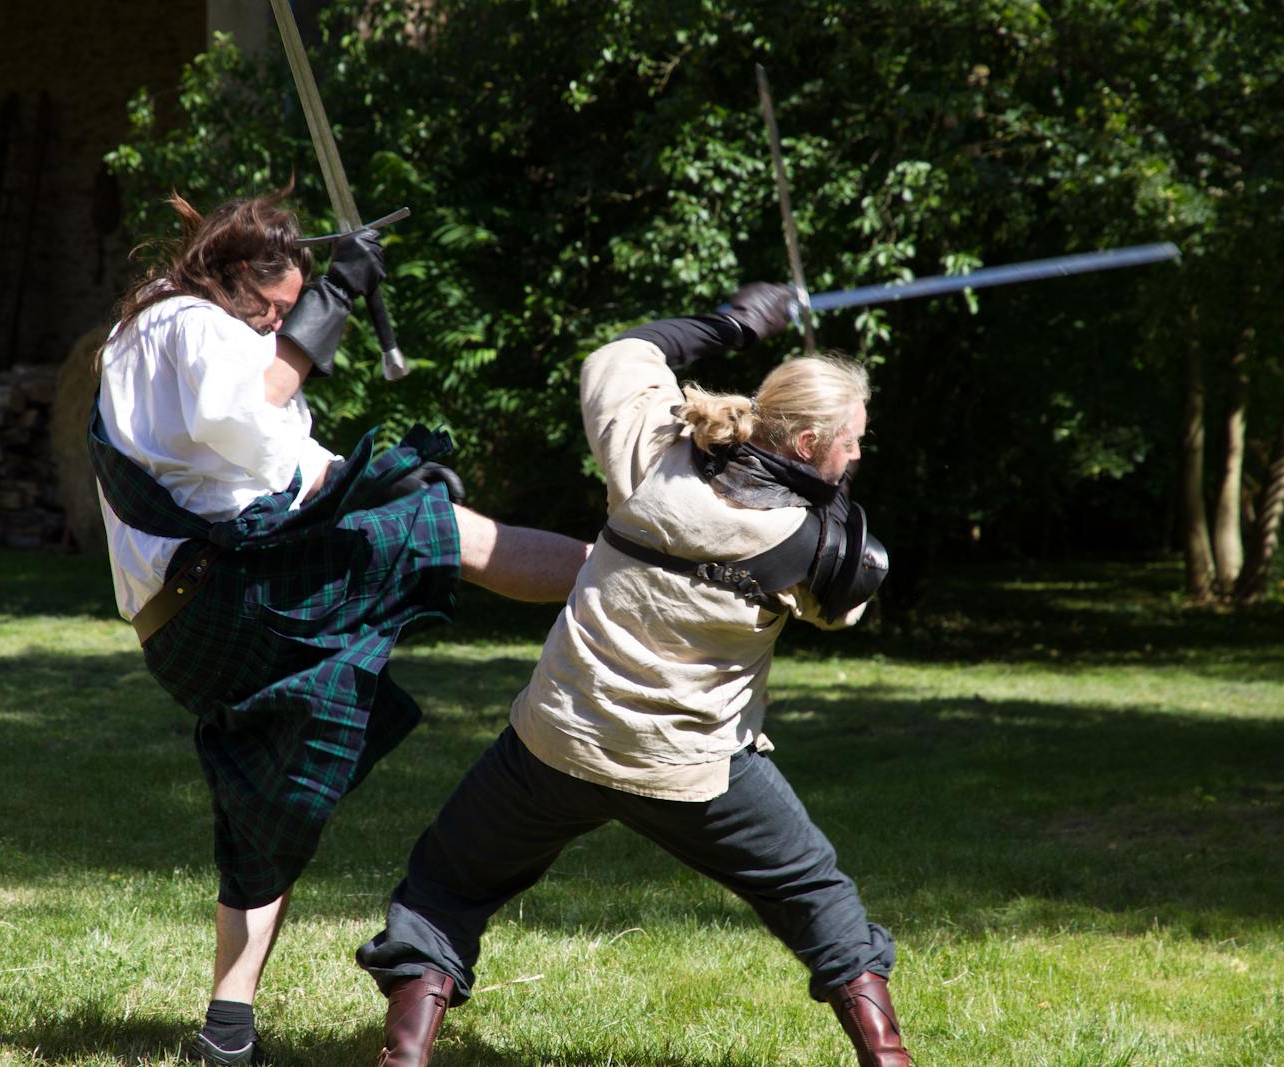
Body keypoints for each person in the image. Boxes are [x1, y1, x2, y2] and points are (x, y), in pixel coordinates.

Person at [89, 187, 591, 1065]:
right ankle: (635, 577)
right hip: (228, 594)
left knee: (273, 798)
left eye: (291, 313)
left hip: (186, 625)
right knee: (443, 535)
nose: (277, 326)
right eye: (275, 306)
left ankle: (228, 1029)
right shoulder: (186, 325)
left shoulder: (156, 337)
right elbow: (239, 414)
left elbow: (278, 460)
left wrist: (385, 477)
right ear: (235, 274)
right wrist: (332, 303)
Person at [354, 286, 914, 1067]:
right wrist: (830, 492)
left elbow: (622, 356)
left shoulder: (652, 451)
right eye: (851, 441)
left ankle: (405, 1057)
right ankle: (889, 1058)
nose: (857, 454)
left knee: (443, 885)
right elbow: (840, 604)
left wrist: (730, 324)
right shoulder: (815, 545)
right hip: (695, 768)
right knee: (817, 896)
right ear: (810, 439)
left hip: (558, 742)